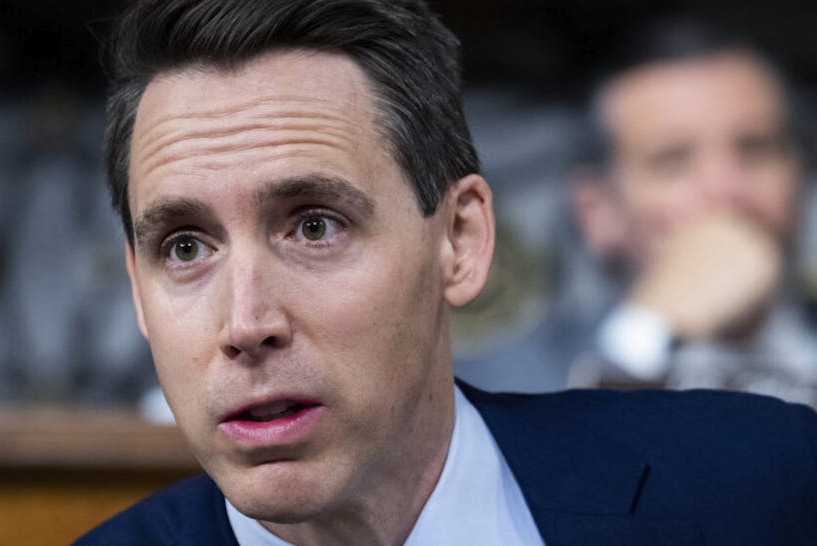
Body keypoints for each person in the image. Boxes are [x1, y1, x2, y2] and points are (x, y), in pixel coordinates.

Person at [75, 2, 817, 544]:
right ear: (138, 292)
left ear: (460, 239)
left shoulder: (768, 485)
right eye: (184, 247)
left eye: (314, 226)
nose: (245, 323)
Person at [458, 19, 817, 404]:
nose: (726, 190)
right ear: (598, 212)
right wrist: (646, 330)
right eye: (672, 161)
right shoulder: (506, 386)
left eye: (756, 149)